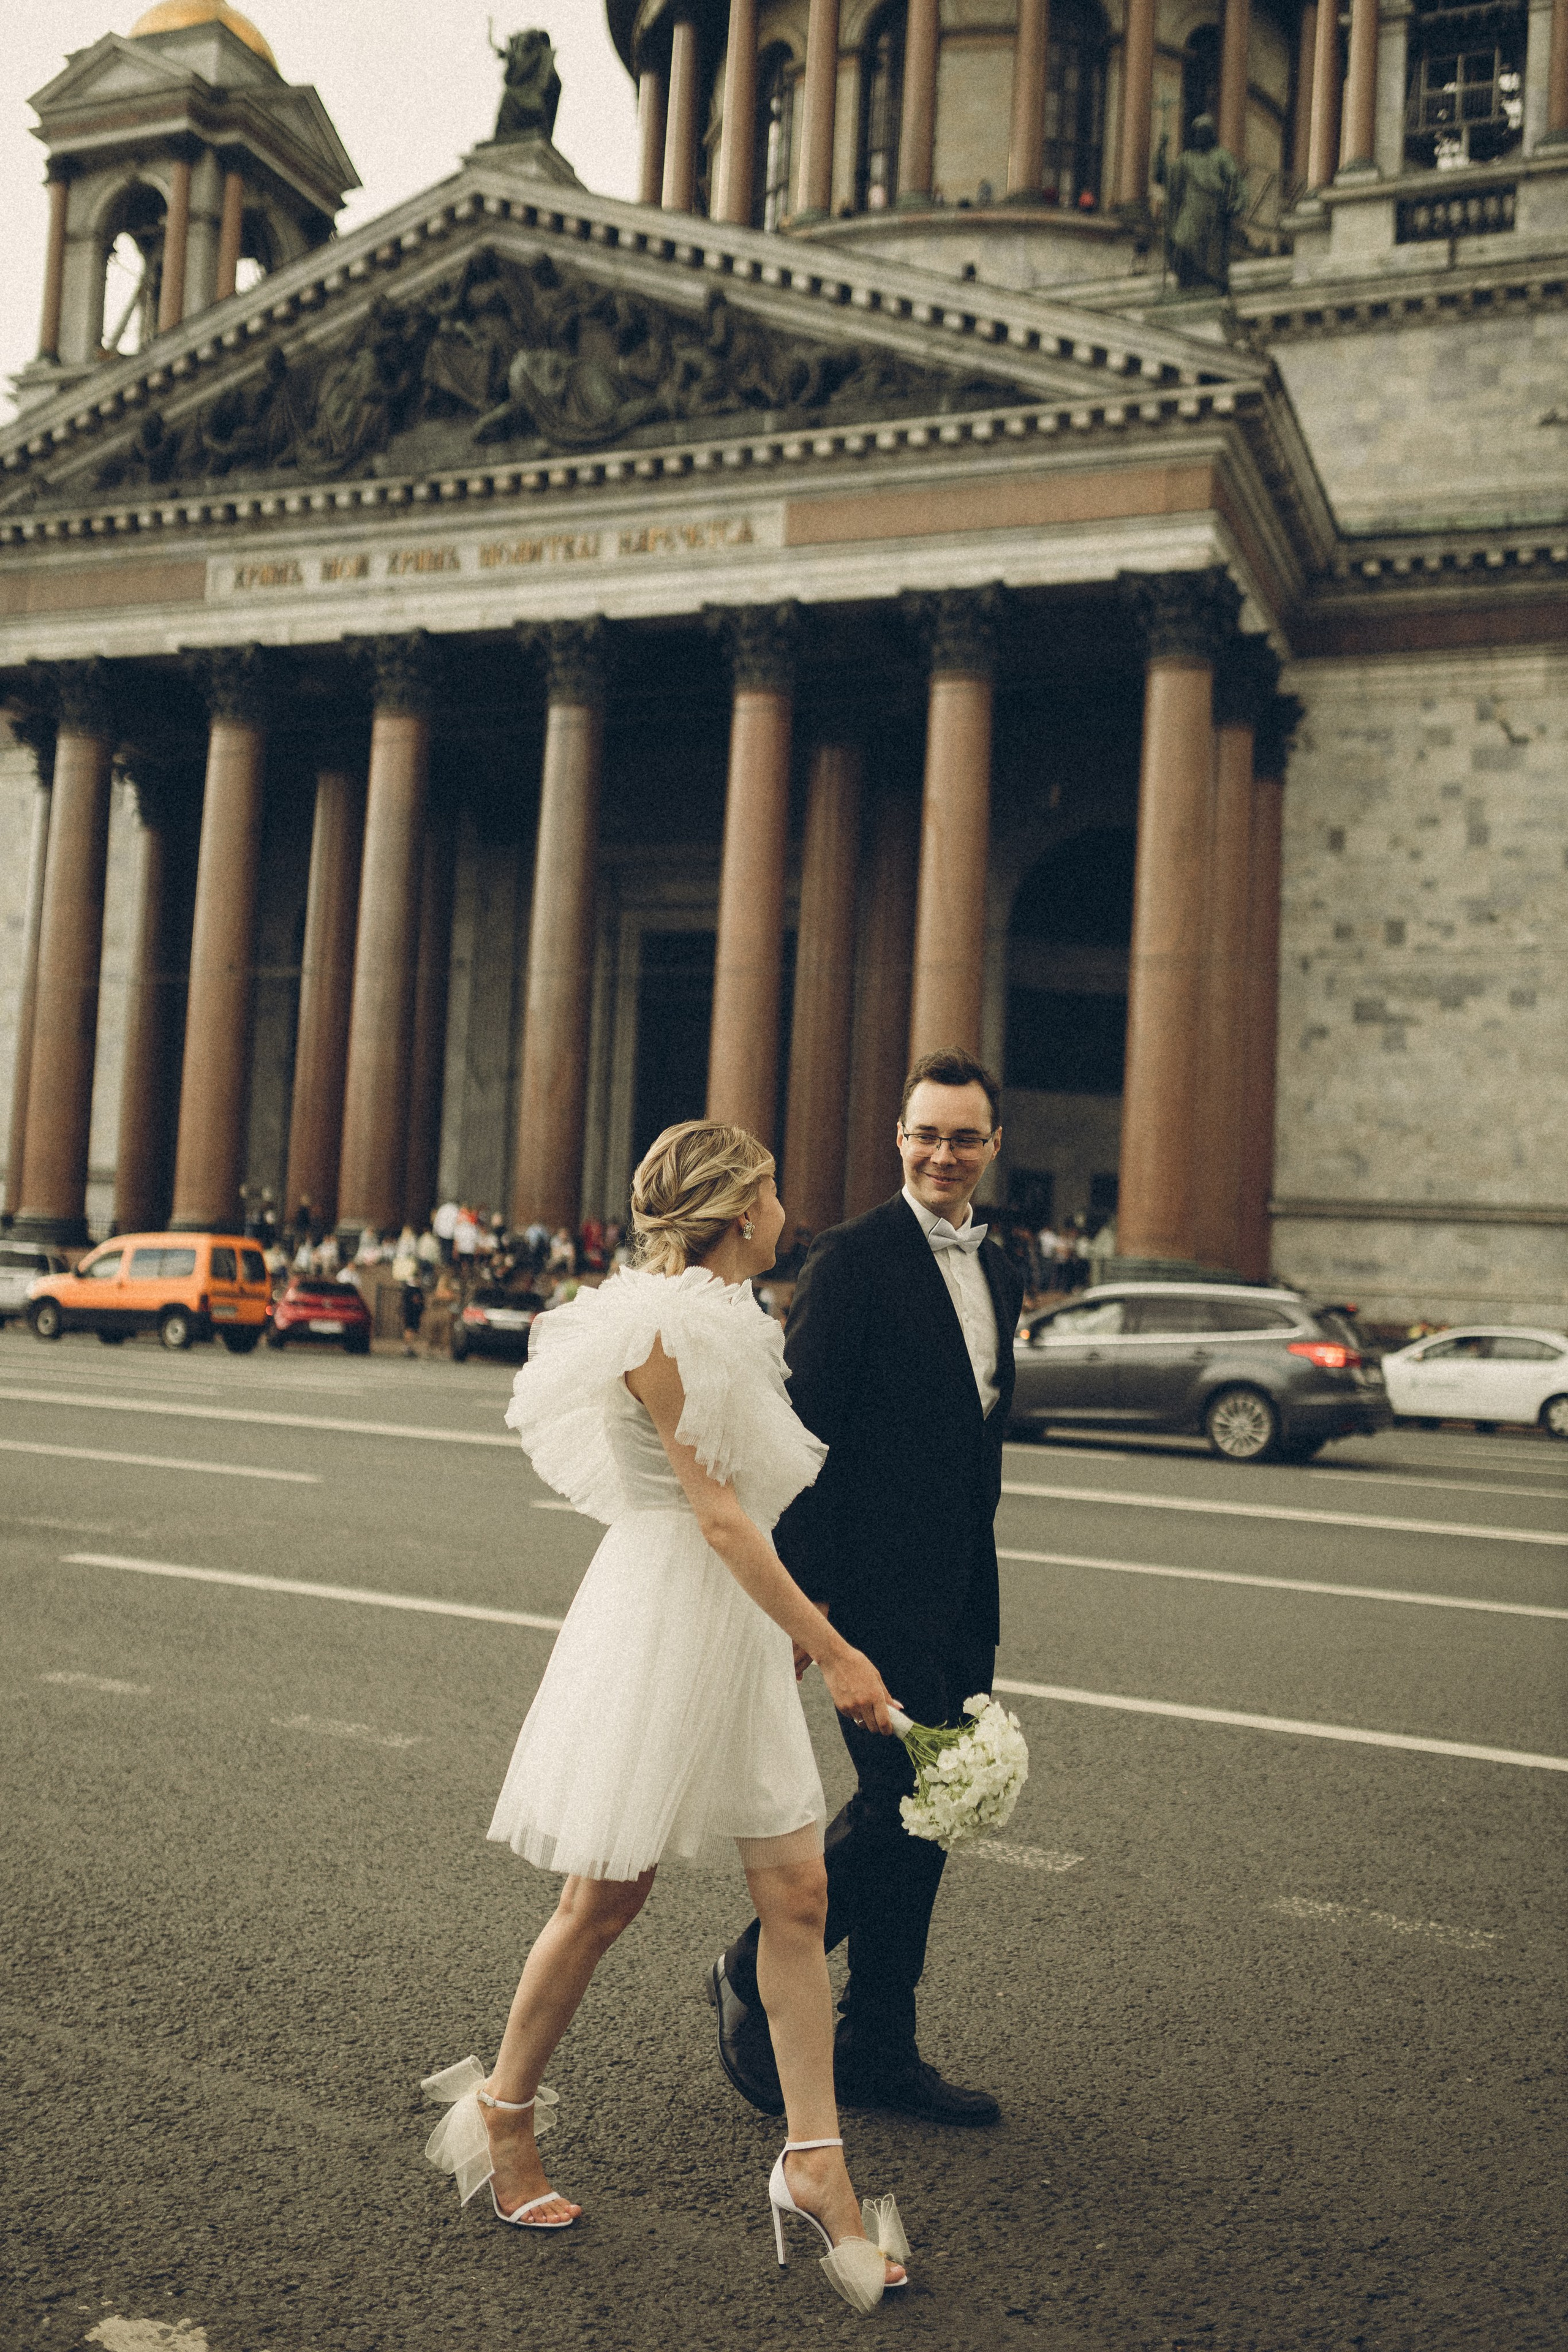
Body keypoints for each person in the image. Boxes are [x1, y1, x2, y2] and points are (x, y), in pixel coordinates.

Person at [421, 1121, 909, 2312]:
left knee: (795, 1896)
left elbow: (743, 1517)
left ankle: (813, 2165)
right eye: (773, 1189)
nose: (786, 1207)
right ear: (740, 1209)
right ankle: (501, 2114)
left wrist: (785, 1621)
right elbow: (720, 1519)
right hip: (662, 1621)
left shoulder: (722, 1315)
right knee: (605, 1896)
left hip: (732, 1616)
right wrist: (838, 1649)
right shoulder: (661, 1328)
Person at [710, 1050, 1023, 2127]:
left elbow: (977, 1435)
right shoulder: (852, 1259)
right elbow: (806, 1440)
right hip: (870, 1591)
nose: (943, 1153)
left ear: (992, 1147)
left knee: (937, 1811)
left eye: (964, 1136)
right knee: (903, 1800)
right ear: (899, 1140)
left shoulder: (1006, 1263)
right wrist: (812, 1604)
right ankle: (753, 1969)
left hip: (960, 1587)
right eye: (926, 1134)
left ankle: (882, 2042)